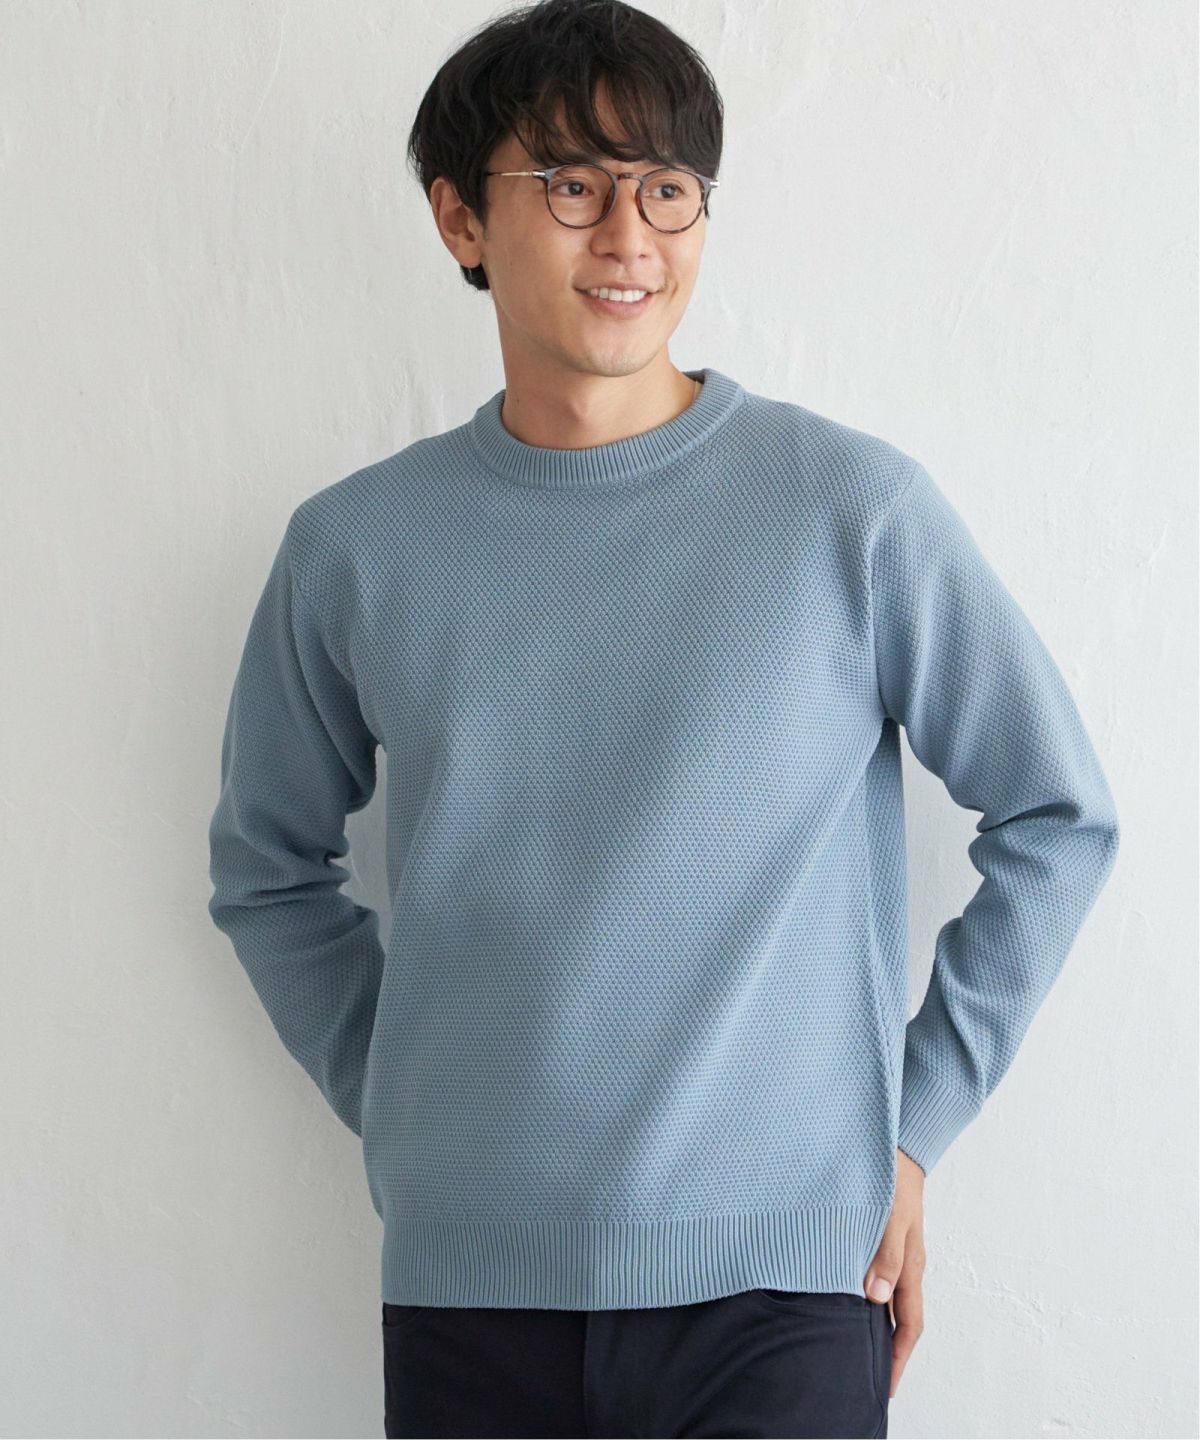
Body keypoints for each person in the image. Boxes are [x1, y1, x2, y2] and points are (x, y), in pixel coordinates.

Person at [205, 2, 1121, 1435]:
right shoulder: (356, 550)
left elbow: (1059, 814)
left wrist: (913, 1122)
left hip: (785, 1290)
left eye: (668, 188)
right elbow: (267, 868)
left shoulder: (848, 512)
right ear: (459, 218)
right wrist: (408, 1102)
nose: (630, 235)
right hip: (471, 1293)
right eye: (572, 185)